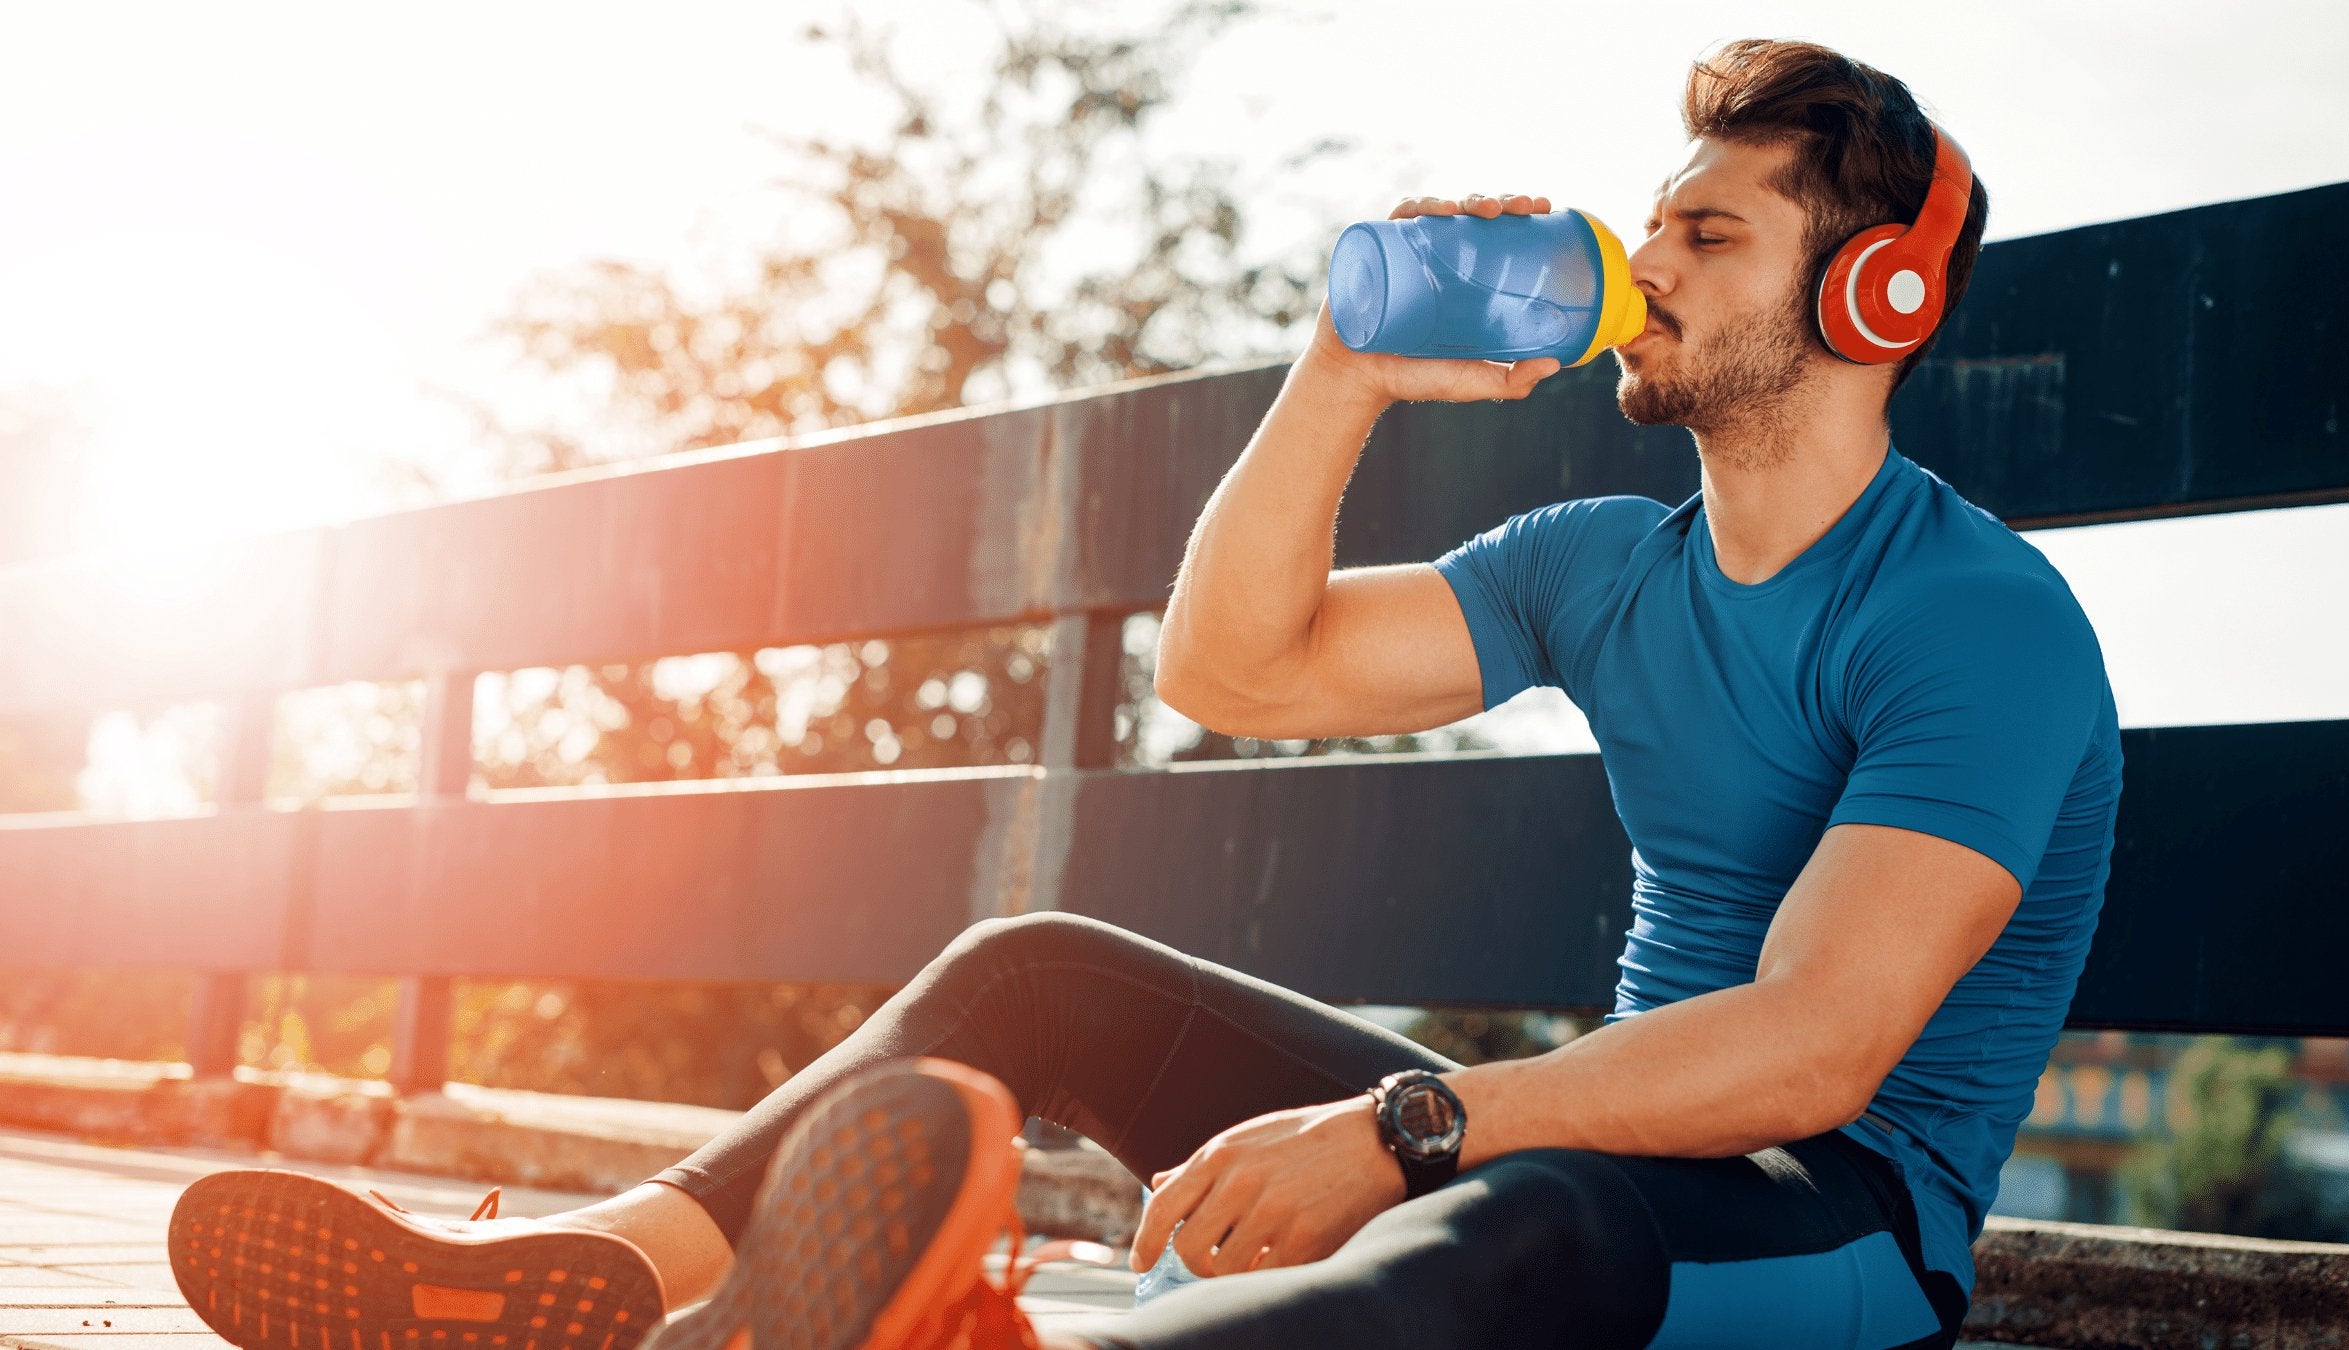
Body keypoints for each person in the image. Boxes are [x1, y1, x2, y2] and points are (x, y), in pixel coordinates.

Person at [166, 37, 2122, 1350]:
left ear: (1873, 297)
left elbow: (1811, 1056)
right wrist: (1339, 377)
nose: (1648, 262)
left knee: (1538, 1229)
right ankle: (572, 1289)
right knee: (1033, 969)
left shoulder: (1976, 620)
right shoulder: (1601, 563)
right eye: (1657, 220)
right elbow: (1232, 665)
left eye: (1710, 232)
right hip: (1577, 1136)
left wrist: (1411, 1127)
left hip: (1833, 1230)